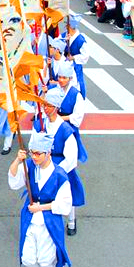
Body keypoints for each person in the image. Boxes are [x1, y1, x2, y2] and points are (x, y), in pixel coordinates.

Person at [8, 131, 72, 267]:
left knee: (46, 263)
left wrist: (40, 208)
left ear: (48, 153)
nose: (34, 157)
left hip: (48, 223)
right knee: (27, 259)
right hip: (30, 219)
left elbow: (65, 204)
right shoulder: (29, 165)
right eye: (32, 153)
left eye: (38, 153)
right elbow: (14, 182)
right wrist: (17, 160)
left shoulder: (59, 174)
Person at [34, 90, 84, 236]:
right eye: (44, 105)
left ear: (56, 107)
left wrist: (56, 170)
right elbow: (33, 144)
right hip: (43, 163)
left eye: (49, 105)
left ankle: (71, 220)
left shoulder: (65, 129)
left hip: (61, 166)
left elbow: (71, 157)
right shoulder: (39, 125)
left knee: (67, 193)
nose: (46, 108)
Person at [63, 14, 89, 98]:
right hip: (65, 63)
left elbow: (85, 56)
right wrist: (64, 42)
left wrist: (74, 57)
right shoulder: (64, 35)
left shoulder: (80, 40)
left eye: (67, 25)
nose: (65, 27)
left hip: (75, 65)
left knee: (76, 82)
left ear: (70, 26)